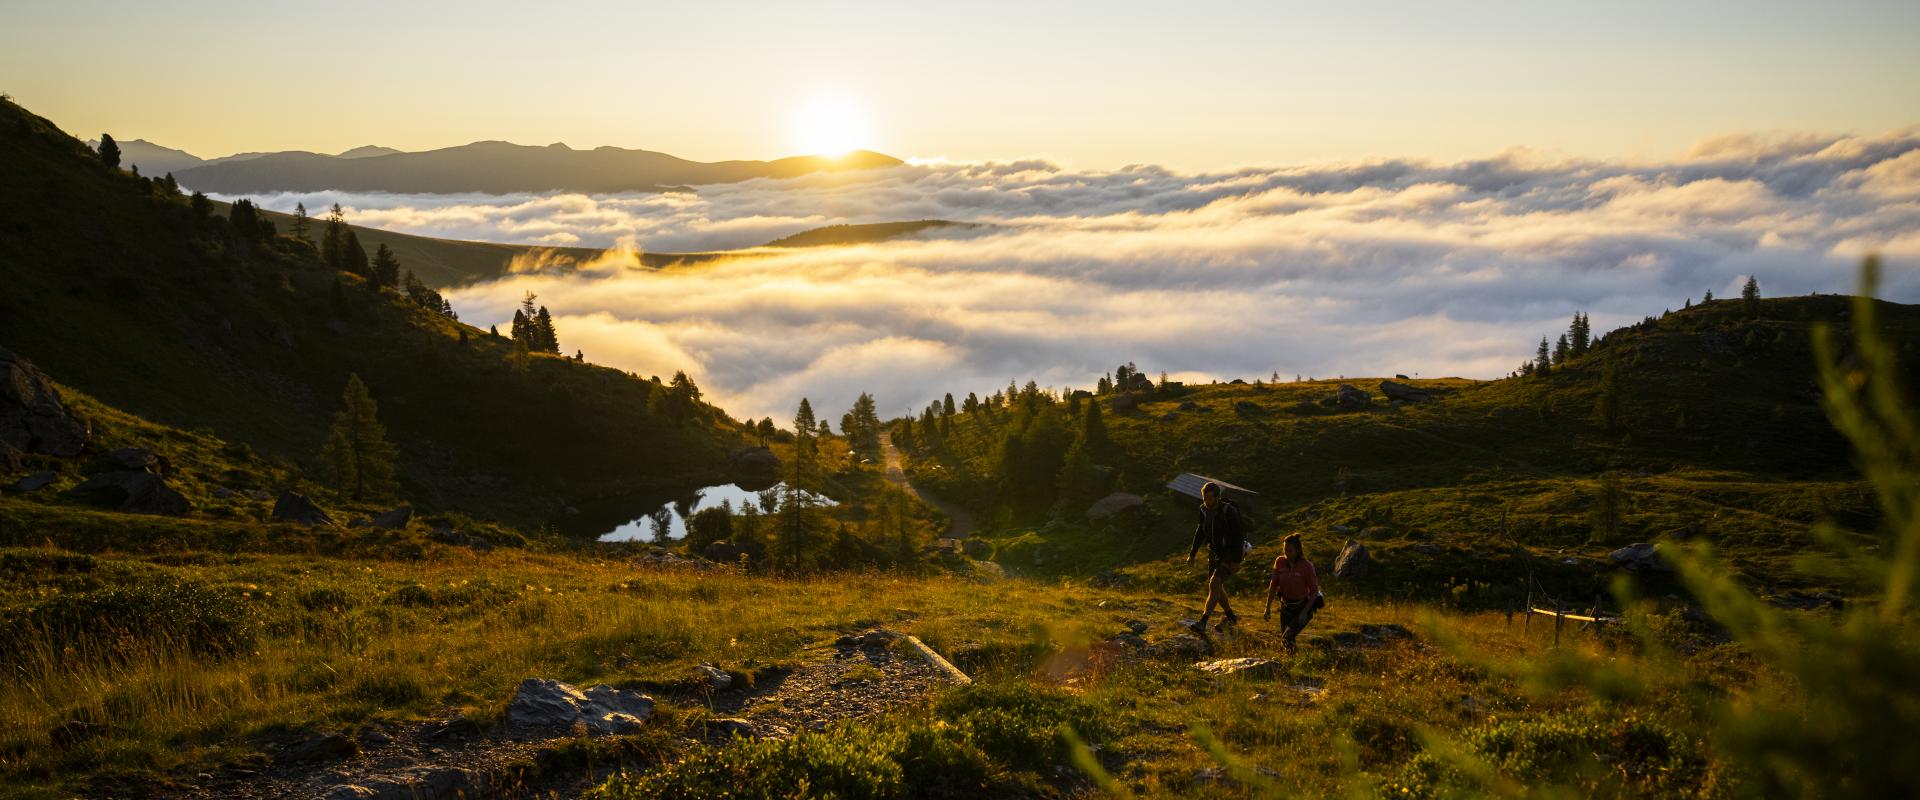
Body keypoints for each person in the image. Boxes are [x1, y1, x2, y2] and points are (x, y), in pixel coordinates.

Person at [1187, 481, 1248, 631]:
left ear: (1217, 497)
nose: (1206, 502)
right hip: (1214, 553)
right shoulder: (1203, 510)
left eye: (1209, 498)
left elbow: (1238, 536)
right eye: (1204, 498)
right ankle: (1231, 617)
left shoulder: (1229, 511)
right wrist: (1192, 554)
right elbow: (1200, 532)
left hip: (1229, 553)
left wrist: (1236, 560)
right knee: (1216, 587)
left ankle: (1203, 622)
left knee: (1214, 584)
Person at [1263, 533, 1323, 650]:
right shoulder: (1280, 562)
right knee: (1286, 642)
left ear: (1298, 550)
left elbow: (1314, 591)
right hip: (1286, 607)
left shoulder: (1307, 566)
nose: (1287, 553)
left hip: (1302, 607)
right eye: (1285, 550)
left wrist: (1305, 612)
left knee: (1287, 637)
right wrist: (1267, 608)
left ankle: (1298, 659)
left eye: (1290, 550)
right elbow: (1273, 586)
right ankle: (1294, 659)